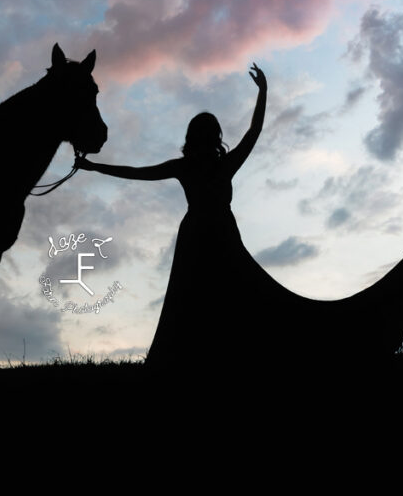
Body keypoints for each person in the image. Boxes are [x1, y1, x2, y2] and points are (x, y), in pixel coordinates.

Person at [75, 63, 279, 373]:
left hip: (199, 232)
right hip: (216, 231)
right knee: (225, 293)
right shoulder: (223, 164)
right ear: (216, 136)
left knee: (193, 296)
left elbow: (136, 174)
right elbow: (254, 131)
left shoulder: (184, 167)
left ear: (191, 137)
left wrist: (95, 168)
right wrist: (263, 91)